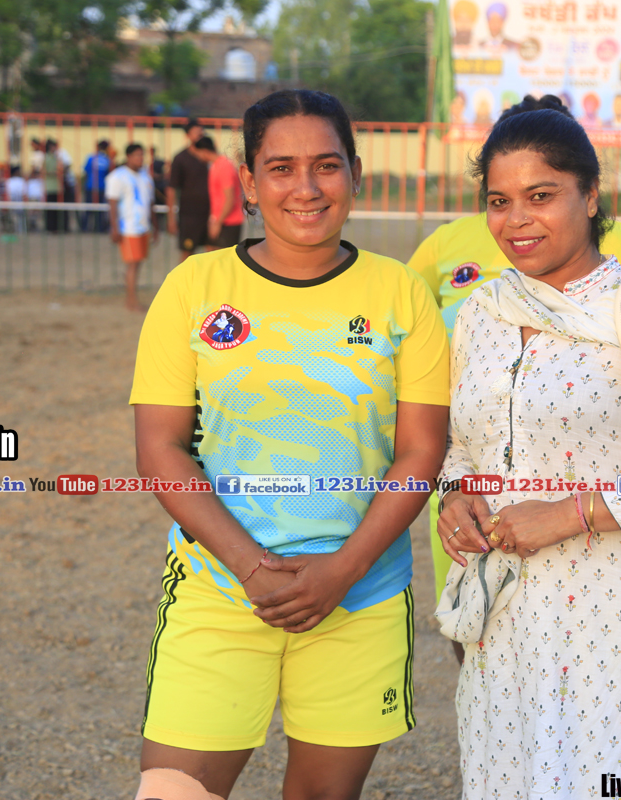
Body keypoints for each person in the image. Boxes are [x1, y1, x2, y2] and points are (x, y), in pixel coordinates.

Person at [127, 89, 450, 800]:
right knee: (174, 792)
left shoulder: (401, 294)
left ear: (355, 174)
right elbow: (160, 450)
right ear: (248, 181)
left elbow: (420, 454)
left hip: (360, 597)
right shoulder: (194, 287)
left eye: (326, 165)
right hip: (221, 589)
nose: (306, 188)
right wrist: (250, 567)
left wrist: (342, 571)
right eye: (281, 168)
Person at [437, 95, 621, 792]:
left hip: (615, 608)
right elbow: (467, 442)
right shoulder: (484, 312)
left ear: (591, 195)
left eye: (541, 196)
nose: (517, 220)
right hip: (505, 612)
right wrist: (456, 496)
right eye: (499, 201)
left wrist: (568, 514)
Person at [106, 143, 157, 311]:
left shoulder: (145, 176)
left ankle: (132, 298)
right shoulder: (117, 176)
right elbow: (112, 204)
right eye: (137, 155)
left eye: (142, 155)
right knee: (132, 264)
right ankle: (131, 301)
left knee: (138, 263)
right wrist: (114, 228)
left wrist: (155, 227)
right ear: (128, 156)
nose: (140, 158)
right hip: (128, 227)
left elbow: (150, 203)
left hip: (143, 226)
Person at [167, 118, 211, 261]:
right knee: (187, 252)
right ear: (188, 135)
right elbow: (171, 189)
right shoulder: (180, 158)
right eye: (196, 132)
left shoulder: (209, 157)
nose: (199, 135)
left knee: (212, 251)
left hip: (210, 213)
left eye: (201, 132)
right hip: (189, 215)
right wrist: (171, 219)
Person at [202, 136, 244, 250]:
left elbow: (230, 198)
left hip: (229, 222)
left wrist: (218, 222)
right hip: (220, 220)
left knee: (221, 257)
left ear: (204, 151)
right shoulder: (215, 165)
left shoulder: (224, 166)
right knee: (210, 253)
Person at [82, 140, 112, 232]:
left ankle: (84, 228)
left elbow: (86, 172)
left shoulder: (91, 158)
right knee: (100, 209)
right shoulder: (107, 160)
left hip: (90, 187)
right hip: (101, 187)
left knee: (88, 208)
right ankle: (99, 228)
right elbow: (109, 174)